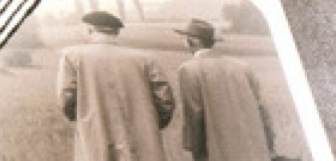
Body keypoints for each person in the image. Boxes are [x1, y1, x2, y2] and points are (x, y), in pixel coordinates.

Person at [57, 10, 175, 160]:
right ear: (116, 32)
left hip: (94, 135)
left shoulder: (72, 56)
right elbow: (165, 101)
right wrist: (149, 125)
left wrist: (85, 119)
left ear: (90, 29)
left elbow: (66, 98)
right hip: (141, 141)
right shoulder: (145, 59)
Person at [175, 18, 278, 161]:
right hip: (255, 151)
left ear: (193, 42)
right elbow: (262, 109)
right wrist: (269, 146)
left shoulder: (188, 70)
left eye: (185, 39)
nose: (183, 43)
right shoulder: (242, 66)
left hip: (218, 153)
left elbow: (195, 116)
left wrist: (198, 154)